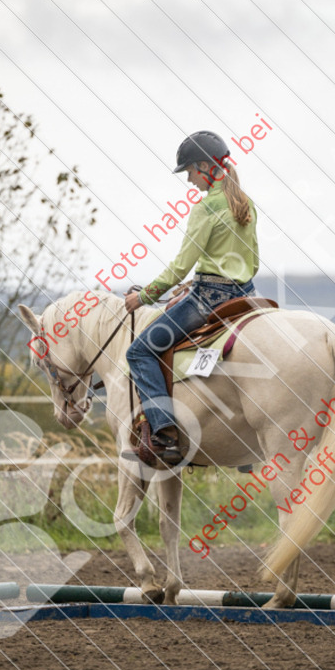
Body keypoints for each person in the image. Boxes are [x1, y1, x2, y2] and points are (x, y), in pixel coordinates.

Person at [125, 131, 259, 464]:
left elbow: (180, 266)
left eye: (189, 171)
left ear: (203, 167)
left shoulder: (206, 208)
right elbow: (251, 260)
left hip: (209, 299)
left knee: (139, 352)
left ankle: (165, 436)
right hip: (247, 294)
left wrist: (143, 298)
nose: (188, 179)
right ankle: (245, 452)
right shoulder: (244, 203)